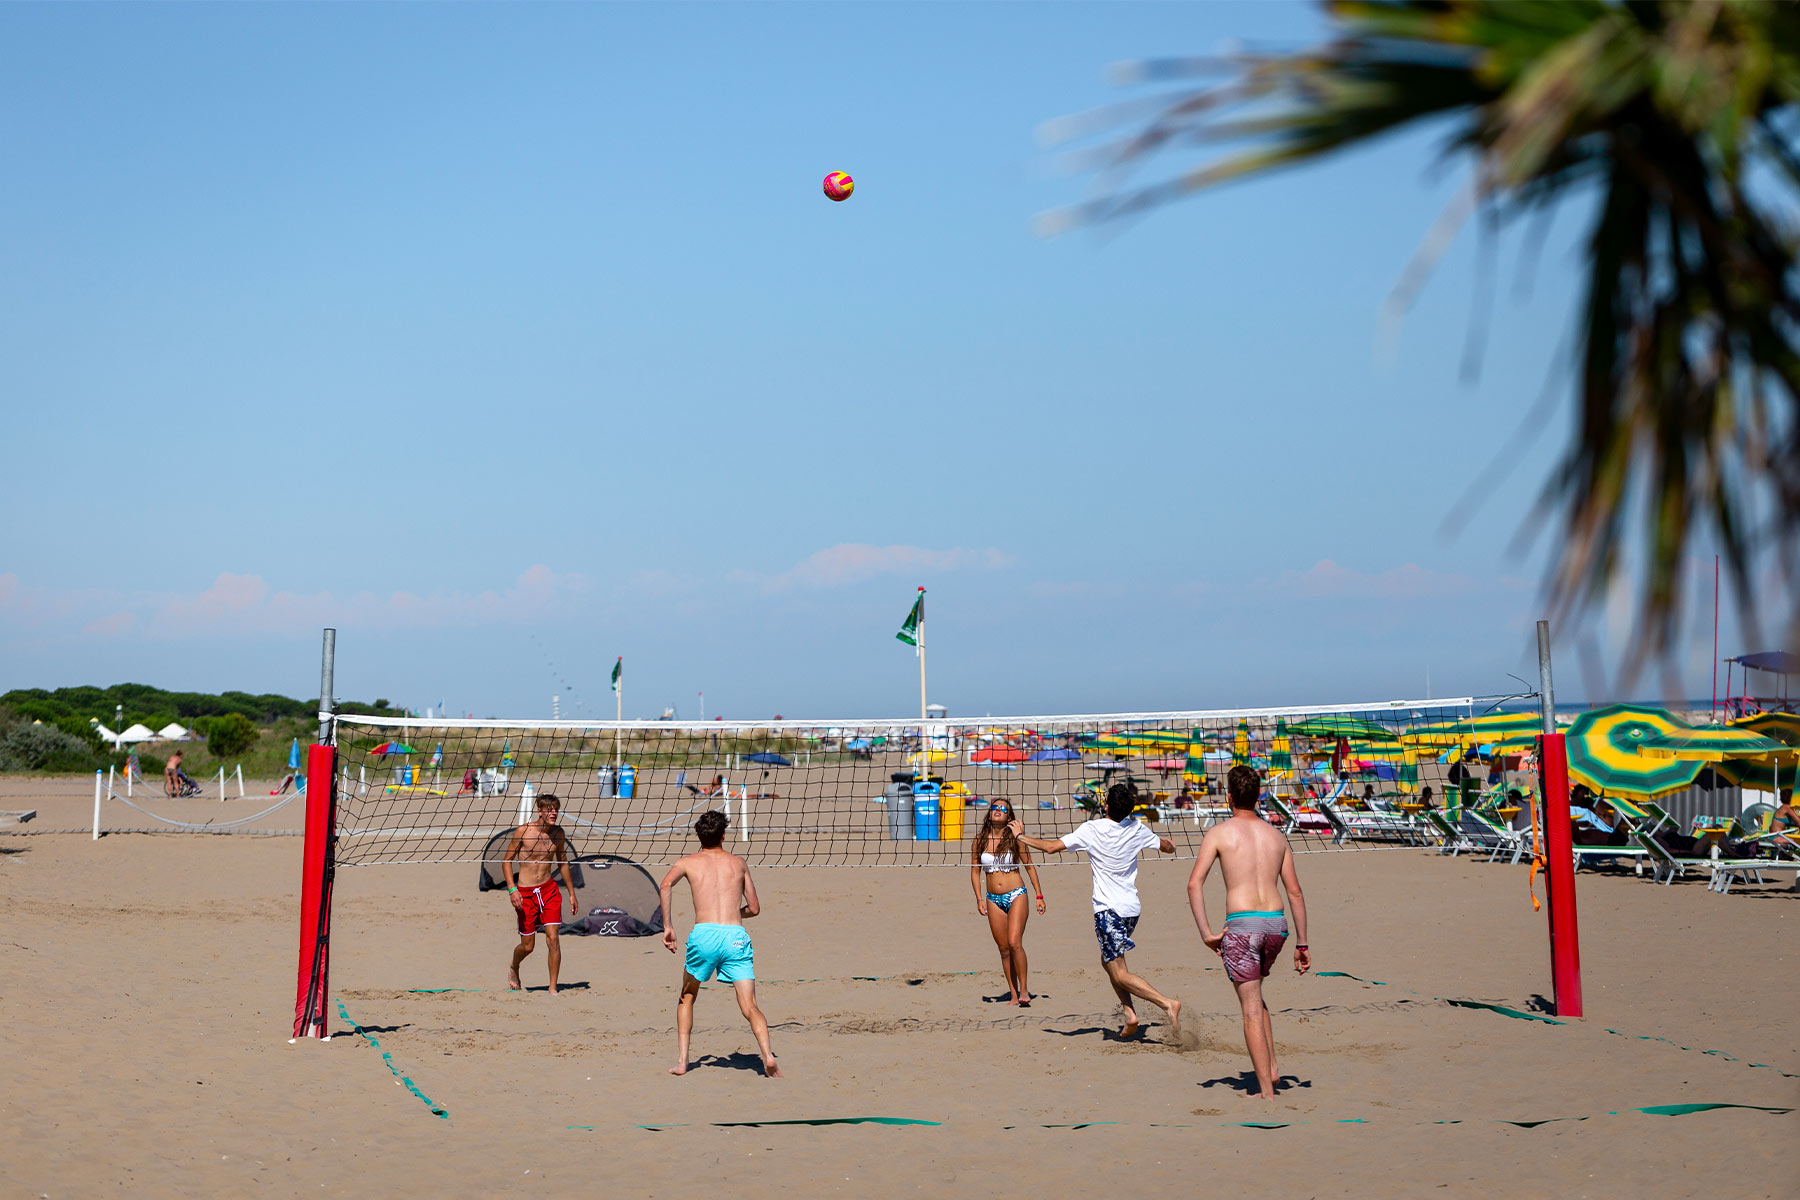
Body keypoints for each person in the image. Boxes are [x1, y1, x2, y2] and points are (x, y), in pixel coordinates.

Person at [1010, 783, 1181, 1040]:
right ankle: (1129, 1013)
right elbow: (1166, 847)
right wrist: (1171, 844)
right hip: (1131, 909)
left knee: (1119, 970)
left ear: (1107, 806)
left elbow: (1050, 848)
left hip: (1108, 910)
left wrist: (1020, 837)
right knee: (1109, 962)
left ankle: (1167, 1004)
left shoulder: (1092, 829)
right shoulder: (1137, 828)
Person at [1186, 765, 1310, 1101]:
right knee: (1256, 996)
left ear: (1228, 797)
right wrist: (1302, 942)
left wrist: (1206, 933)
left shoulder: (1219, 833)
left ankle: (1267, 1095)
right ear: (1258, 797)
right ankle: (1270, 1067)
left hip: (1242, 927)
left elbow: (1194, 884)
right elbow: (1295, 892)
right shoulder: (1276, 836)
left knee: (1250, 1009)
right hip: (1276, 926)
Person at [659, 810, 781, 1078]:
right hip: (735, 935)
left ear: (699, 836)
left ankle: (682, 1062)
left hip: (705, 935)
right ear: (724, 835)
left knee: (687, 996)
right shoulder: (738, 863)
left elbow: (665, 885)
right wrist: (737, 913)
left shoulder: (688, 862)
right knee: (750, 1006)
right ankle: (768, 1056)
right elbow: (755, 908)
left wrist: (668, 926)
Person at [969, 798, 1045, 1006]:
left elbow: (1029, 866)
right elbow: (975, 872)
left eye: (1004, 809)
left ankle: (1025, 990)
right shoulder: (979, 839)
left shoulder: (1015, 838)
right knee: (1003, 949)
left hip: (1016, 893)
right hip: (992, 898)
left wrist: (1039, 895)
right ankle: (1013, 993)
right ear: (990, 812)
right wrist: (978, 898)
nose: (998, 810)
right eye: (995, 807)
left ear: (1009, 816)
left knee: (1014, 942)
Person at [502, 793, 579, 994]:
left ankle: (552, 988)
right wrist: (512, 890)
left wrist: (571, 893)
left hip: (549, 890)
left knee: (553, 938)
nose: (554, 813)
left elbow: (562, 862)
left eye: (556, 809)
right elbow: (506, 861)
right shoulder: (523, 832)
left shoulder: (558, 834)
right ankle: (514, 966)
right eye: (549, 810)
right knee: (528, 947)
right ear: (540, 811)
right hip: (525, 893)